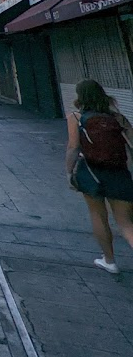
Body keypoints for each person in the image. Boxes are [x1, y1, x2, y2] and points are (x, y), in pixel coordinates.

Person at [66, 79, 133, 274]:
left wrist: (69, 173)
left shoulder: (76, 117)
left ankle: (109, 261)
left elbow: (73, 147)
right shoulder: (118, 118)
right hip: (119, 173)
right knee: (126, 222)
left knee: (98, 215)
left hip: (91, 173)